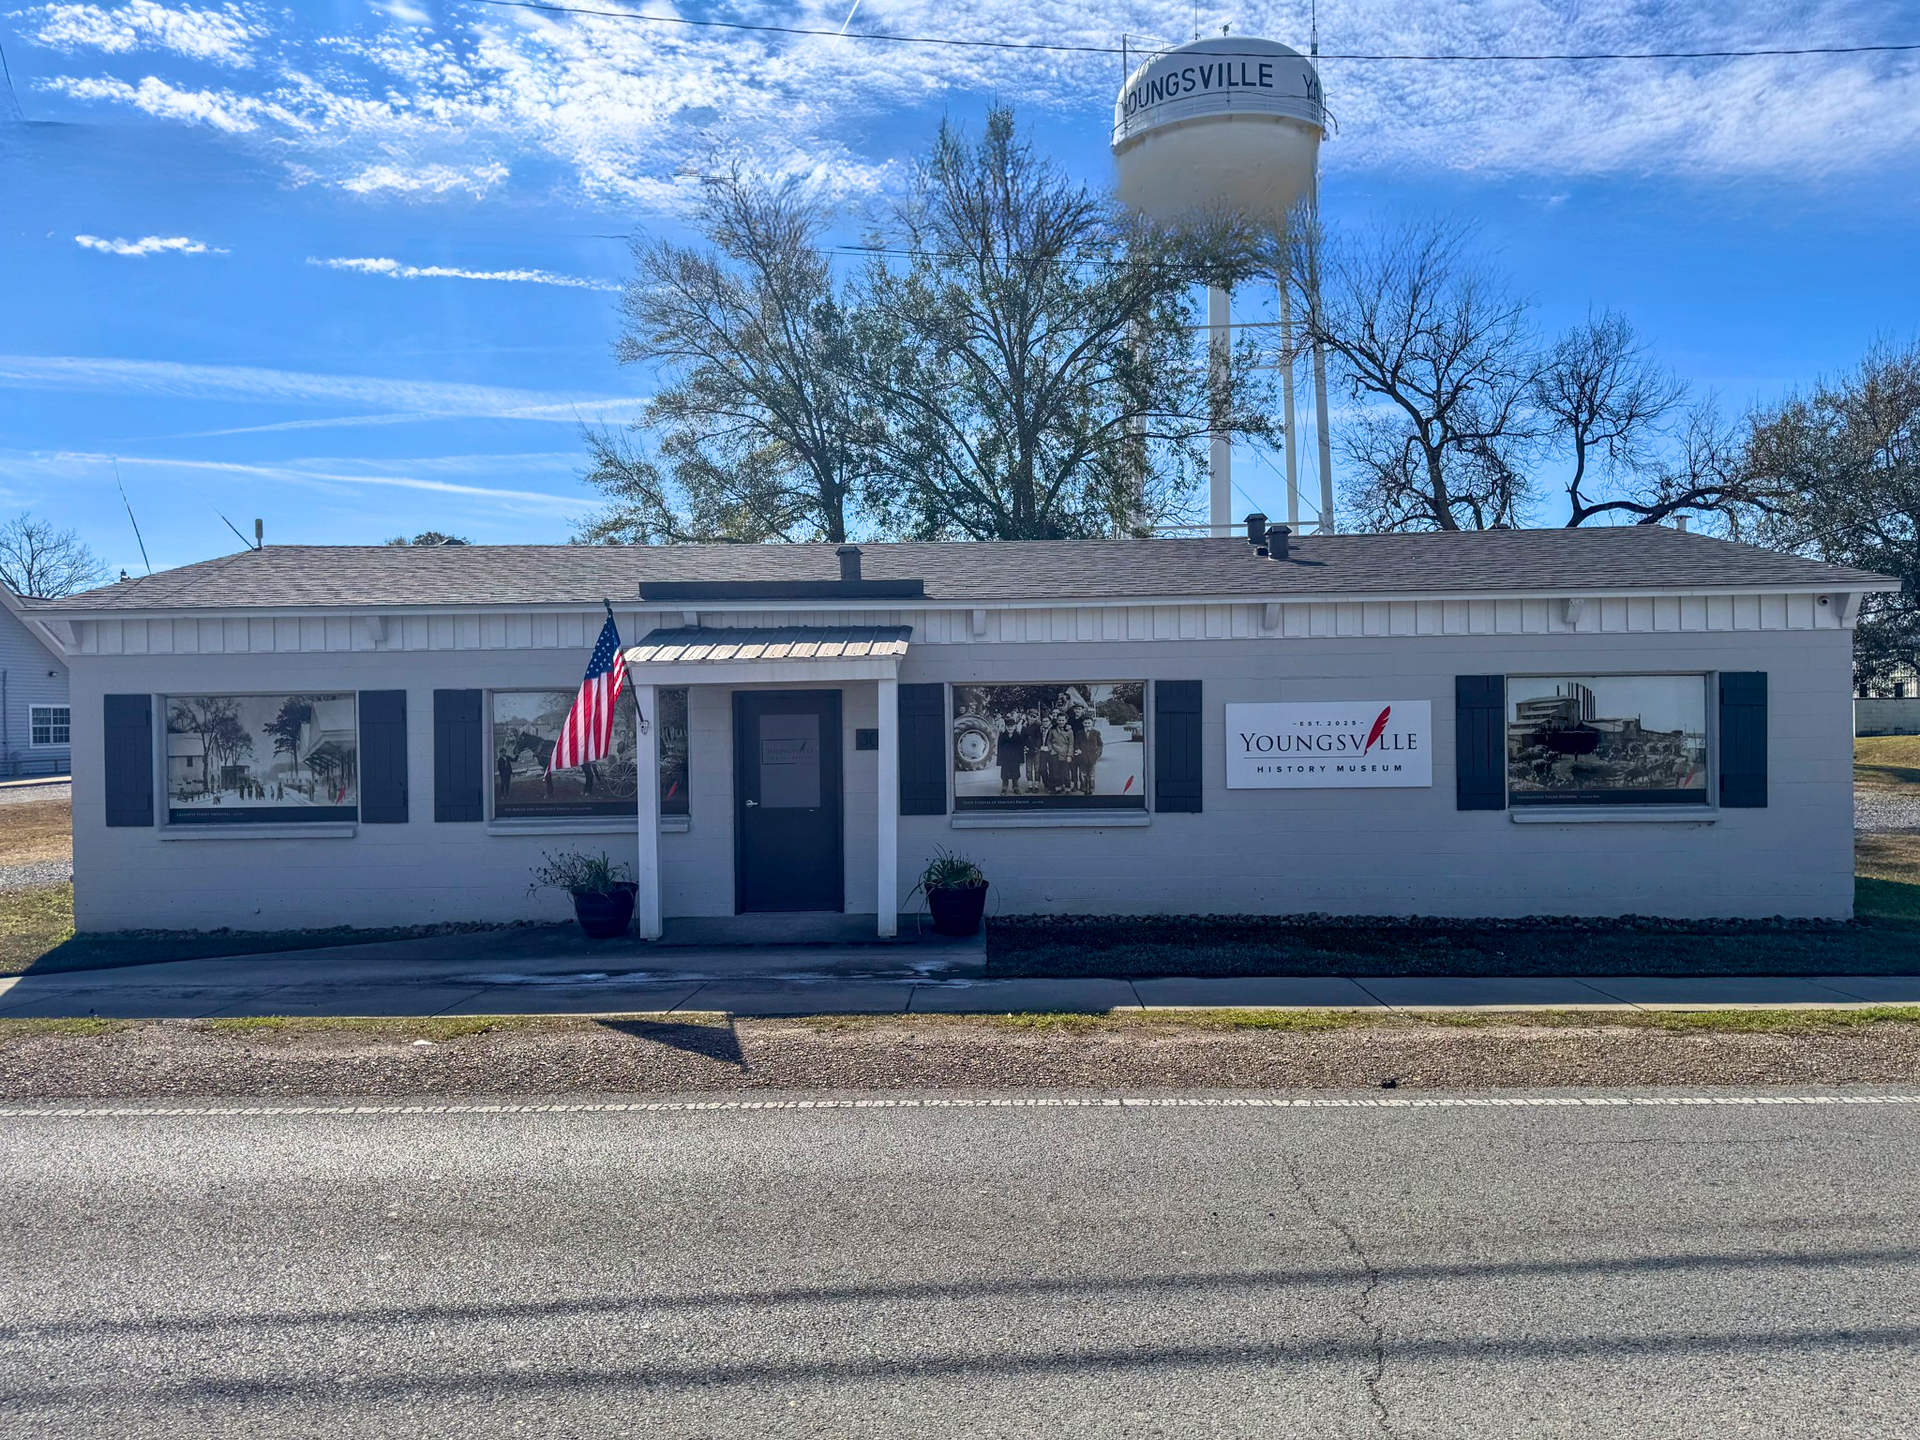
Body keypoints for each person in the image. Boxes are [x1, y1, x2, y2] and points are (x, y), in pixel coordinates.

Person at [997, 715, 1026, 795]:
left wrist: (1021, 760)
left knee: (1015, 774)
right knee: (1004, 774)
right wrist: (999, 761)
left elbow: (1021, 749)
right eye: (1008, 726)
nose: (1010, 728)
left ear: (1015, 726)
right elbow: (999, 749)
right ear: (1006, 727)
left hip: (1015, 759)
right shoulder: (1002, 737)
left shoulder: (1018, 736)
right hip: (1005, 759)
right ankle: (1004, 788)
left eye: (1012, 726)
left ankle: (1016, 788)